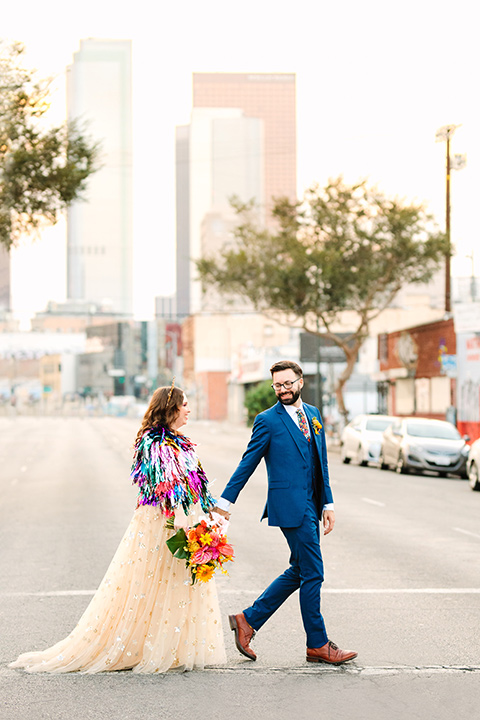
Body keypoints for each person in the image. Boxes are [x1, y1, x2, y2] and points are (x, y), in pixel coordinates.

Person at [9, 384, 226, 674]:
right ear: (170, 407)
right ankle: (142, 647)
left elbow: (196, 482)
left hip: (181, 519)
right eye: (184, 404)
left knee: (176, 583)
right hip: (160, 521)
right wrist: (181, 518)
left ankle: (170, 646)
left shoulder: (181, 443)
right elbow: (165, 486)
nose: (188, 409)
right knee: (151, 582)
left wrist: (213, 512)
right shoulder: (153, 443)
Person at [213, 360, 357, 666]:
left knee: (300, 570)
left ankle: (247, 620)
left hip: (312, 503)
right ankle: (317, 644)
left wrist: (328, 504)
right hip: (290, 506)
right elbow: (247, 463)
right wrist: (225, 503)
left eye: (288, 383)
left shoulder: (314, 415)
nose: (283, 390)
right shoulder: (268, 421)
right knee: (314, 572)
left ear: (300, 382)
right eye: (278, 385)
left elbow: (322, 465)